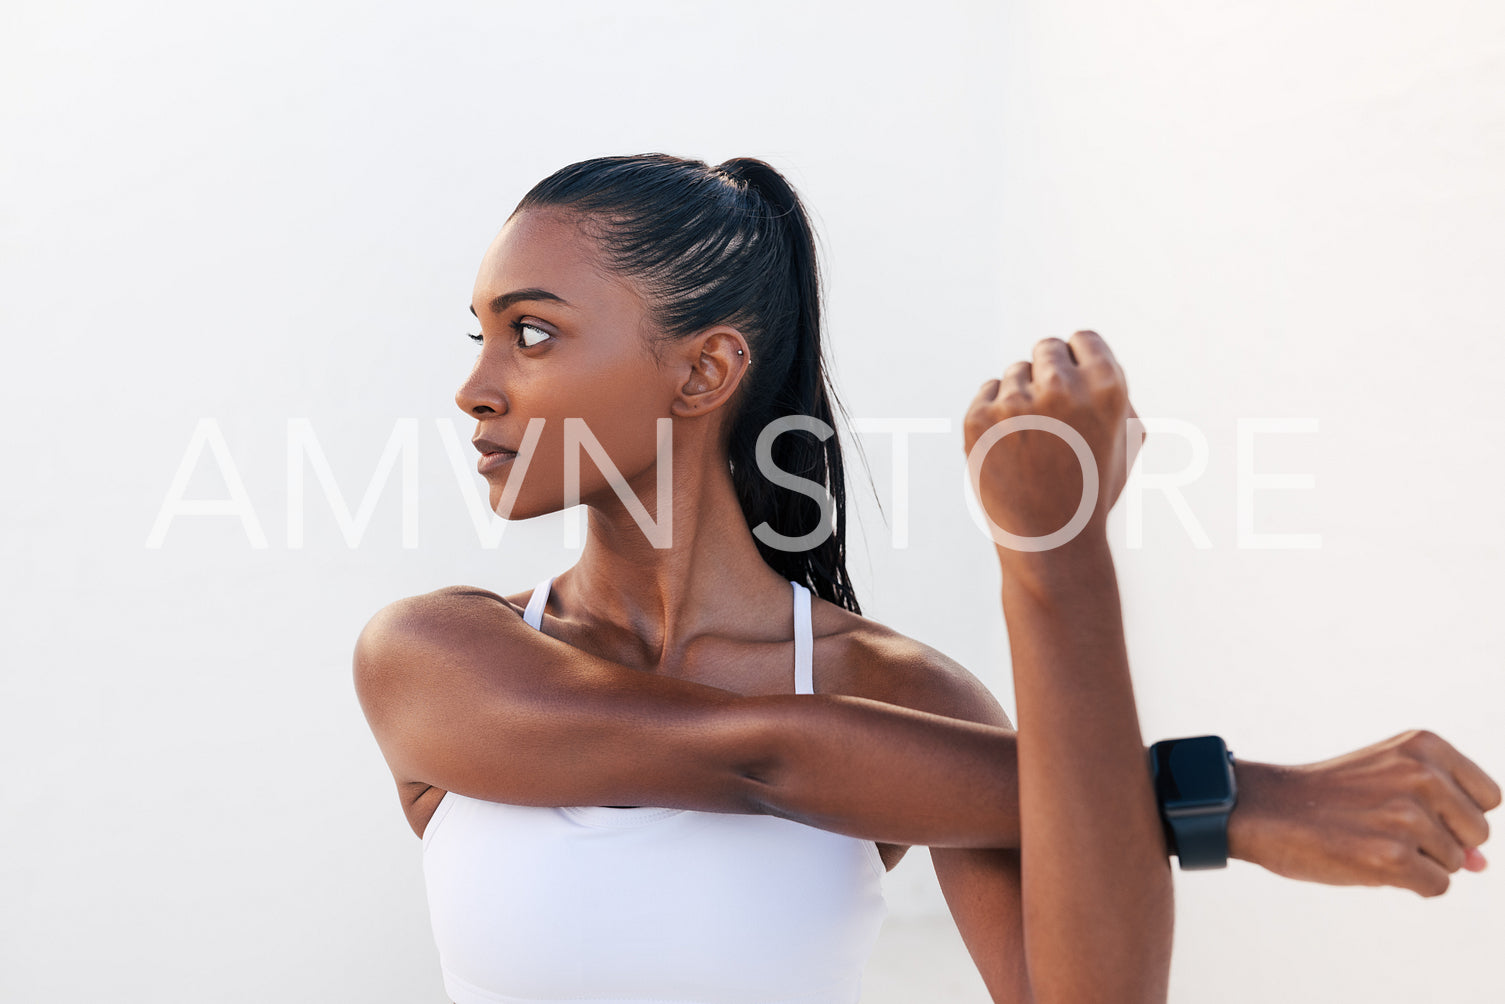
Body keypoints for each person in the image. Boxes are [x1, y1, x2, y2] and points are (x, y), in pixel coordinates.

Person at [353, 154, 1500, 1004]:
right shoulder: (434, 657)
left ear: (704, 369)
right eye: (481, 336)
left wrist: (1055, 553)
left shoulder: (910, 700)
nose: (477, 388)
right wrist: (1235, 799)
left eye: (534, 333)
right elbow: (755, 756)